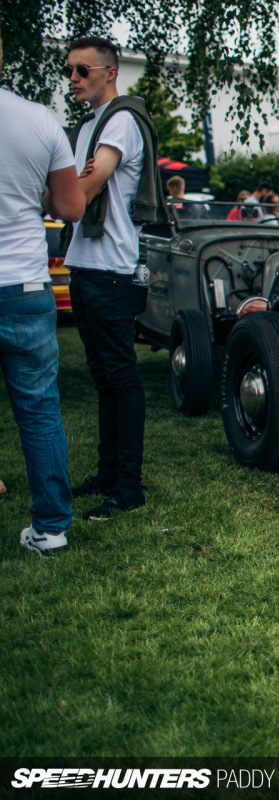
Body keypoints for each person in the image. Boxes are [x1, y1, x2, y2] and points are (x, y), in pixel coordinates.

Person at [63, 35, 166, 520]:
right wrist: (72, 185)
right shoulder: (89, 126)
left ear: (110, 72)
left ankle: (128, 487)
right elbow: (72, 186)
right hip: (85, 264)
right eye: (68, 70)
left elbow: (79, 193)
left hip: (112, 270)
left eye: (82, 70)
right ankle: (108, 475)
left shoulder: (121, 120)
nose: (73, 78)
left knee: (122, 378)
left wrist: (70, 187)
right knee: (104, 378)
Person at [0, 30, 86, 556]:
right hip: (26, 284)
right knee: (38, 409)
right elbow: (71, 207)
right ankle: (51, 529)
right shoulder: (39, 120)